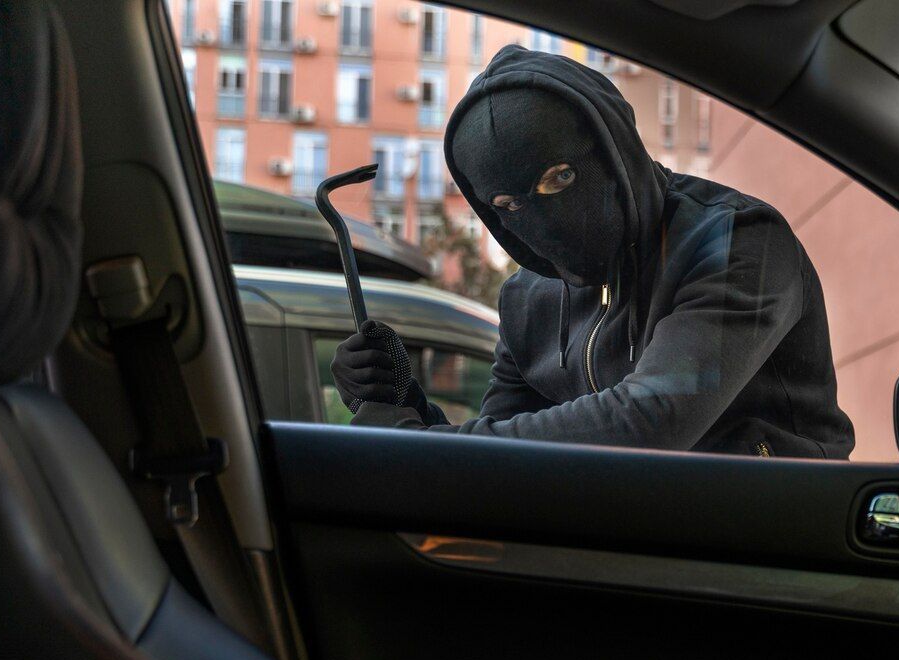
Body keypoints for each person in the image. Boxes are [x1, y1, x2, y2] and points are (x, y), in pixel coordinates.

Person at [331, 45, 854, 459]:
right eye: (508, 204)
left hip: (771, 547)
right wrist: (405, 405)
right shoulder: (529, 297)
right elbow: (503, 456)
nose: (540, 221)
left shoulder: (734, 242)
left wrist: (426, 446)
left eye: (559, 178)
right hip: (628, 541)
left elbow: (652, 421)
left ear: (615, 148)